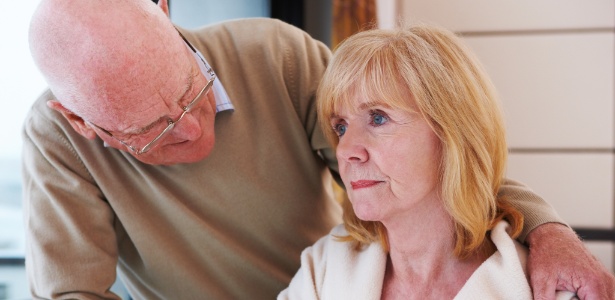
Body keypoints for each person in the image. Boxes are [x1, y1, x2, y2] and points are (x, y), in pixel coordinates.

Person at [23, 0, 613, 299]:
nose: (194, 131)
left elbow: (428, 170)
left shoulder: (276, 58)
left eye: (195, 91)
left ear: (167, 15)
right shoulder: (325, 272)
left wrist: (547, 229)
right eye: (152, 132)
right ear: (80, 121)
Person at [276, 24, 589, 300]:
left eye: (379, 117)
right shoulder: (324, 269)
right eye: (341, 126)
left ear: (453, 132)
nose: (345, 150)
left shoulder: (548, 288)